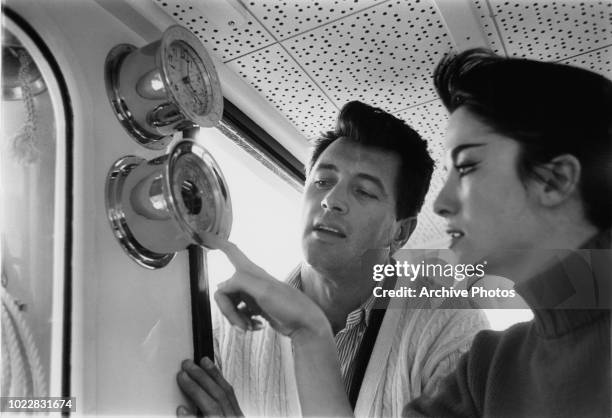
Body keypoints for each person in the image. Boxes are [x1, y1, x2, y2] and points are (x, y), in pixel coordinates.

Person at [199, 49, 612, 417]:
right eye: (322, 182)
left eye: (467, 167)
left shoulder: (459, 339)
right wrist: (311, 333)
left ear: (554, 181)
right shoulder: (487, 370)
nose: (442, 202)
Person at [176, 101, 489, 417]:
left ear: (400, 232)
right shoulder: (226, 328)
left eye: (364, 191)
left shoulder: (450, 327)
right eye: (322, 181)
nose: (331, 200)